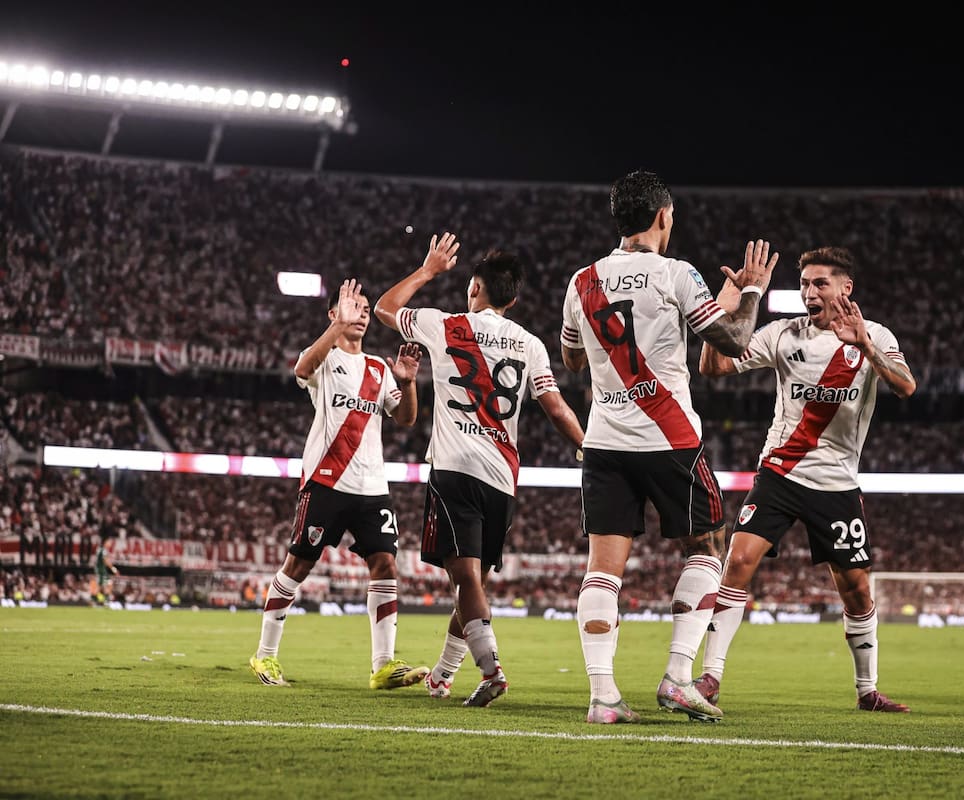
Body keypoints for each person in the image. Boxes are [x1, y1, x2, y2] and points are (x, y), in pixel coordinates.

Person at [560, 169, 778, 724]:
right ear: (663, 217)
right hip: (670, 438)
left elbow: (572, 360)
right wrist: (749, 292)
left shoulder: (581, 281)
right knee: (706, 548)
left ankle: (602, 697)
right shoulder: (677, 273)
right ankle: (679, 678)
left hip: (605, 441)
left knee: (603, 569)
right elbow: (732, 341)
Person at [697, 245, 917, 714]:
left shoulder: (874, 335)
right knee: (737, 562)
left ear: (845, 288)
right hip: (779, 472)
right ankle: (710, 677)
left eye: (819, 283)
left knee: (855, 587)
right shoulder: (781, 333)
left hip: (836, 483)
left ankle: (867, 691)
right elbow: (712, 366)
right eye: (803, 284)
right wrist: (729, 298)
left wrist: (865, 347)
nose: (808, 292)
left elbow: (905, 385)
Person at [375, 234, 585, 708]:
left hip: (455, 467)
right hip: (503, 475)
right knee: (474, 584)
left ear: (475, 289)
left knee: (465, 581)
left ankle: (492, 671)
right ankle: (443, 676)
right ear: (512, 299)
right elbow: (554, 407)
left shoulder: (444, 325)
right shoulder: (530, 344)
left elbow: (386, 307)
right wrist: (588, 450)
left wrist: (428, 271)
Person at [249, 278, 429, 691]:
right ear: (334, 314)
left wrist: (406, 381)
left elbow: (406, 420)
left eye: (367, 309)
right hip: (327, 481)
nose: (364, 313)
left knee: (385, 565)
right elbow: (301, 369)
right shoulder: (326, 359)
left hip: (372, 486)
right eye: (354, 306)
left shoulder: (380, 369)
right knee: (298, 564)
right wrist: (334, 330)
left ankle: (383, 666)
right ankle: (265, 655)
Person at [94, 535, 119, 603]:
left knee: (108, 584)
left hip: (102, 570)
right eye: (109, 542)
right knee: (100, 586)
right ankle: (97, 600)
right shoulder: (103, 550)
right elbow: (106, 560)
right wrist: (114, 569)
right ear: (105, 542)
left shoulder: (101, 549)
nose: (110, 544)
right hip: (101, 570)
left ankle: (104, 600)